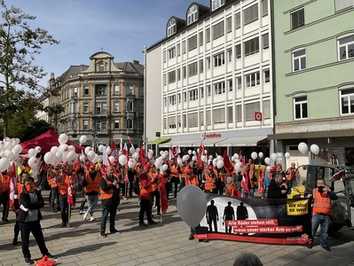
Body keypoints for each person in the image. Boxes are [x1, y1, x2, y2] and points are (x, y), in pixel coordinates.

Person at [17, 176, 53, 265]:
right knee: (25, 241)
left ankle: (45, 252)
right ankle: (27, 256)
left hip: (35, 220)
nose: (30, 185)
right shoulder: (23, 194)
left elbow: (42, 204)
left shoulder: (37, 192)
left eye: (31, 183)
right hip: (25, 222)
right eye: (27, 184)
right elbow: (26, 204)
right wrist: (35, 205)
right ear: (25, 185)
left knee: (40, 238)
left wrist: (34, 205)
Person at [311, 179, 337, 251]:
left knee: (324, 232)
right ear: (316, 184)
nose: (320, 185)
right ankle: (310, 242)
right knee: (312, 230)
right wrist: (322, 190)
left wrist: (329, 191)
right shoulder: (315, 190)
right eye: (318, 183)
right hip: (316, 214)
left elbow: (335, 197)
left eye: (321, 183)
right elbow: (315, 196)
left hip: (326, 215)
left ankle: (324, 244)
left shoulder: (328, 190)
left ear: (324, 184)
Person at [99, 168, 120, 237]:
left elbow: (117, 188)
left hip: (114, 200)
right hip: (106, 201)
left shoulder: (115, 178)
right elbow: (104, 188)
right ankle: (102, 232)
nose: (111, 173)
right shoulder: (103, 179)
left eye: (112, 171)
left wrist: (117, 186)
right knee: (104, 216)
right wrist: (113, 185)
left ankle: (112, 229)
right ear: (107, 172)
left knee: (113, 216)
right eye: (110, 171)